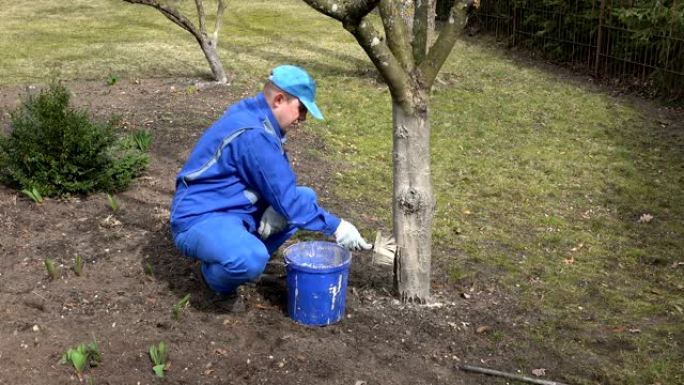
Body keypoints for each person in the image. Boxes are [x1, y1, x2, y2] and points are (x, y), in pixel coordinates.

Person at [170, 64, 371, 309]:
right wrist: (337, 227)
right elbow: (287, 199)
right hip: (201, 216)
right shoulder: (254, 135)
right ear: (279, 100)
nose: (303, 119)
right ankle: (216, 279)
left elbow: (280, 185)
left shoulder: (256, 114)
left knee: (305, 198)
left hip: (233, 205)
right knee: (251, 257)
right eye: (302, 109)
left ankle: (240, 256)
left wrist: (278, 207)